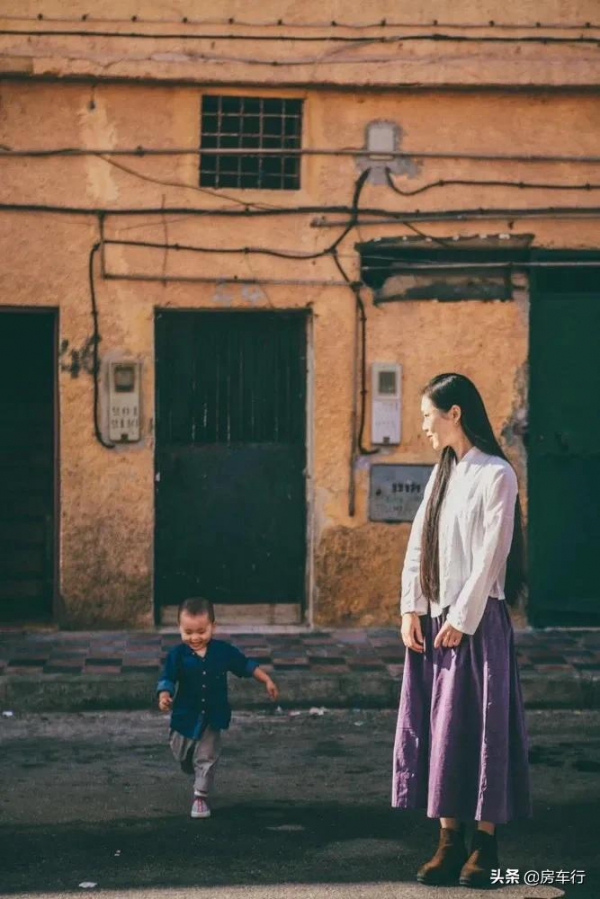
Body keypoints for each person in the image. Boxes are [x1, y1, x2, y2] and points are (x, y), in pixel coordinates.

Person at [392, 373, 531, 889]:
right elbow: (417, 544)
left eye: (429, 415)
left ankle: (485, 846)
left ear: (455, 413)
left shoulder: (497, 474)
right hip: (435, 620)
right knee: (442, 732)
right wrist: (411, 609)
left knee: (483, 729)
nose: (424, 426)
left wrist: (460, 619)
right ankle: (449, 842)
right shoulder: (443, 473)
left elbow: (491, 556)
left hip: (474, 622)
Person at [157, 596, 279, 819]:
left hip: (213, 715)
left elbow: (244, 665)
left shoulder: (223, 651)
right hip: (185, 715)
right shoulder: (178, 655)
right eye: (188, 632)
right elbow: (167, 677)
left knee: (207, 755)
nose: (195, 637)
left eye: (201, 631)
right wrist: (164, 695)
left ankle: (200, 797)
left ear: (213, 626)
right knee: (181, 752)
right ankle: (188, 761)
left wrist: (266, 680)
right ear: (180, 628)